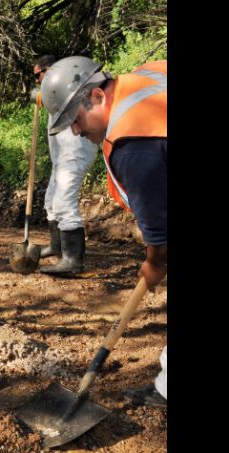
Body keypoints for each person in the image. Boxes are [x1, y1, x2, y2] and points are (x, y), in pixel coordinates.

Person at [41, 55, 166, 408]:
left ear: (96, 97)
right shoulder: (148, 76)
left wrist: (154, 265)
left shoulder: (133, 144)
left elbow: (160, 233)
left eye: (76, 121)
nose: (77, 132)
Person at [31, 55, 99, 275]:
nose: (37, 81)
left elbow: (75, 97)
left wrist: (45, 95)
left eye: (37, 75)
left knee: (63, 202)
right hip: (62, 156)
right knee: (51, 202)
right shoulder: (56, 89)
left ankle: (72, 262)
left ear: (48, 70)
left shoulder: (69, 83)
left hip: (76, 150)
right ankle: (57, 247)